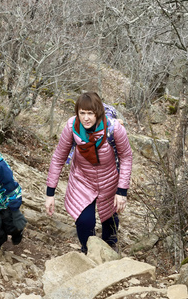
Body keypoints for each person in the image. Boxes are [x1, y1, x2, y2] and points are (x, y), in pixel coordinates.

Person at [45, 92, 133, 252]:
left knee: (109, 219)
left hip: (109, 180)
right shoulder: (72, 127)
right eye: (82, 113)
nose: (86, 118)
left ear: (98, 112)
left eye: (90, 113)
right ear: (77, 113)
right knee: (84, 221)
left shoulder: (114, 129)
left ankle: (110, 248)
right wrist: (50, 193)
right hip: (82, 180)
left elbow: (126, 157)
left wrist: (122, 191)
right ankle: (87, 250)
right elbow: (58, 157)